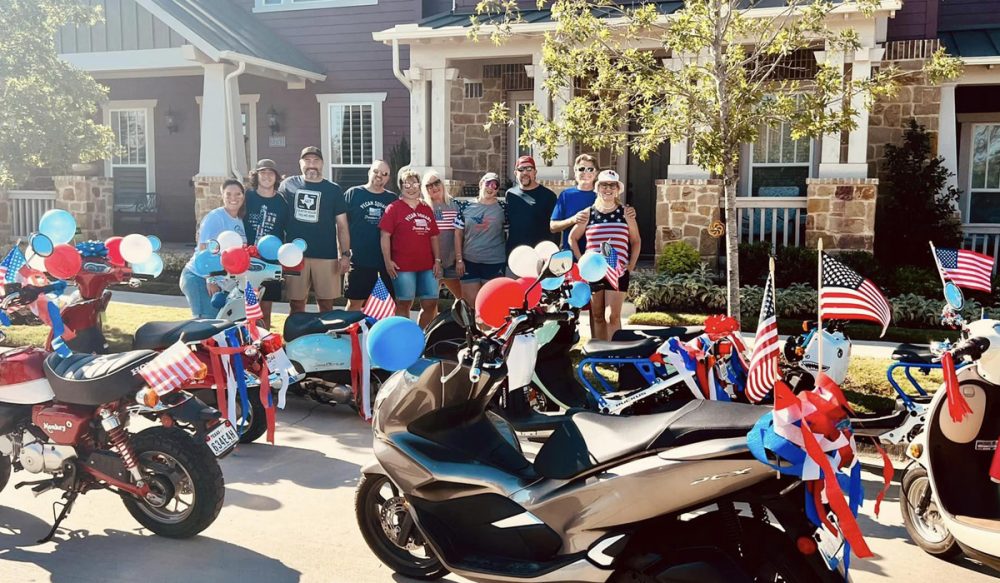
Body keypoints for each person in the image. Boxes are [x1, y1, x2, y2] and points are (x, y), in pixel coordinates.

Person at [568, 170, 640, 341]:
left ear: (617, 189)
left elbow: (636, 241)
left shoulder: (626, 213)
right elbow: (572, 238)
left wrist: (630, 265)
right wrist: (582, 262)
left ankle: (616, 355)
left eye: (612, 185)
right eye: (604, 185)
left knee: (612, 317)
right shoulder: (588, 213)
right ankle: (600, 354)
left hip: (617, 272)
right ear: (597, 188)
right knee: (598, 316)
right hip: (594, 273)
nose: (608, 189)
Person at [279, 146, 350, 314]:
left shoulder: (333, 190)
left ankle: (324, 339)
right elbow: (278, 218)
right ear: (300, 163)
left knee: (326, 305)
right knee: (296, 305)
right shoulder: (288, 185)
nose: (312, 165)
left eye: (316, 161)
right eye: (307, 160)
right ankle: (296, 338)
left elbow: (342, 225)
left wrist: (345, 255)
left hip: (326, 255)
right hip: (294, 256)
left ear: (322, 164)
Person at [380, 168, 442, 328]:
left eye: (414, 182)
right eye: (406, 183)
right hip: (402, 267)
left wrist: (437, 260)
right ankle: (405, 336)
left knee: (431, 302)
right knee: (403, 303)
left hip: (428, 266)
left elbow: (434, 236)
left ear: (419, 185)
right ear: (400, 186)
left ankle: (421, 336)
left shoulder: (426, 208)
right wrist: (387, 262)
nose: (411, 186)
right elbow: (385, 236)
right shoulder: (393, 208)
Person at [180, 179, 247, 319]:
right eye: (228, 194)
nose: (233, 198)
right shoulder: (215, 217)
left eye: (238, 194)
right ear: (222, 196)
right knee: (206, 323)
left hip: (222, 281)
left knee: (220, 323)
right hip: (199, 277)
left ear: (243, 196)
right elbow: (204, 250)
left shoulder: (239, 221)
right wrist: (210, 280)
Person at [344, 160, 398, 311]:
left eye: (384, 174)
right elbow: (341, 227)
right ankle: (348, 333)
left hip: (384, 263)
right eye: (376, 171)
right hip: (359, 260)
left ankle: (377, 335)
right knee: (355, 303)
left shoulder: (392, 199)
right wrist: (344, 254)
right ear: (369, 172)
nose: (379, 176)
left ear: (388, 178)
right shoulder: (353, 193)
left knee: (384, 306)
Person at [244, 159, 287, 328]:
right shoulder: (247, 197)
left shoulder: (282, 202)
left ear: (276, 177)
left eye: (271, 173)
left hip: (270, 262)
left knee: (265, 311)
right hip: (247, 260)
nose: (267, 177)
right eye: (263, 173)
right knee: (245, 309)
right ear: (256, 176)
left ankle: (263, 347)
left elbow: (286, 230)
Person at [455, 172, 507, 307]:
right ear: (480, 184)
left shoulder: (503, 208)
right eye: (488, 183)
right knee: (471, 304)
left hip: (494, 262)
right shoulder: (465, 206)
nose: (491, 187)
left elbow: (509, 233)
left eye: (495, 185)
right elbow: (458, 234)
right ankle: (472, 329)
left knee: (491, 304)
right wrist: (459, 259)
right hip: (470, 261)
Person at [505, 155, 557, 257]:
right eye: (521, 169)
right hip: (515, 254)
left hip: (540, 255)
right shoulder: (510, 194)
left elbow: (555, 229)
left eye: (529, 169)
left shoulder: (548, 196)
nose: (525, 172)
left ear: (535, 172)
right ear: (516, 173)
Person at [422, 169, 463, 300]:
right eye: (429, 185)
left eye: (436, 182)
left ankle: (459, 321)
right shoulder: (424, 207)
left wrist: (459, 259)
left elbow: (461, 234)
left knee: (463, 300)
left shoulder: (455, 205)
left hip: (452, 262)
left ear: (442, 183)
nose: (434, 187)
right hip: (432, 263)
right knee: (430, 303)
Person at [550, 153, 598, 250]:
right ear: (575, 172)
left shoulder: (602, 195)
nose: (586, 172)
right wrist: (573, 220)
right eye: (581, 169)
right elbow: (553, 227)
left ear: (596, 173)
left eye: (590, 169)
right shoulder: (566, 195)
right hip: (570, 255)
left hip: (596, 255)